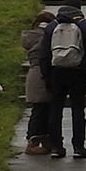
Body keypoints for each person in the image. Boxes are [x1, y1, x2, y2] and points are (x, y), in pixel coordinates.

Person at [35, 0, 86, 160]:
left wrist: (46, 75)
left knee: (55, 110)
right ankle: (79, 147)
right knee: (78, 110)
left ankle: (57, 147)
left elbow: (44, 54)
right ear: (78, 8)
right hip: (79, 73)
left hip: (56, 73)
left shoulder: (52, 27)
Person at [20, 10, 57, 154]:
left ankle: (40, 140)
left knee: (39, 109)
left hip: (34, 74)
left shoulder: (32, 37)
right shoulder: (46, 37)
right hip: (43, 74)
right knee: (41, 110)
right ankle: (34, 141)